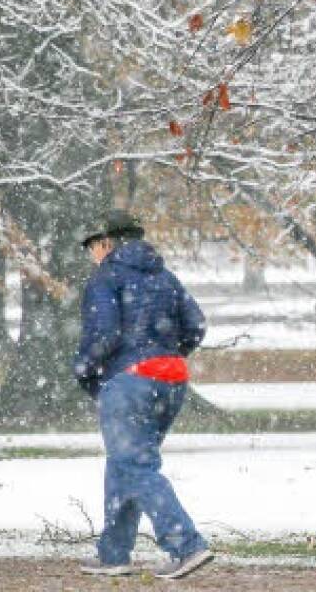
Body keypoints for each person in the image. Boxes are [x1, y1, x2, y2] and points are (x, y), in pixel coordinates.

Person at [73, 210, 214, 580]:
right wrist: (166, 354)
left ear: (106, 242)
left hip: (130, 381)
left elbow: (103, 333)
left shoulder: (106, 277)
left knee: (135, 466)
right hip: (172, 378)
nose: (92, 255)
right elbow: (196, 325)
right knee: (125, 462)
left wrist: (84, 370)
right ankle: (114, 554)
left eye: (92, 246)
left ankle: (186, 545)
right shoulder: (165, 277)